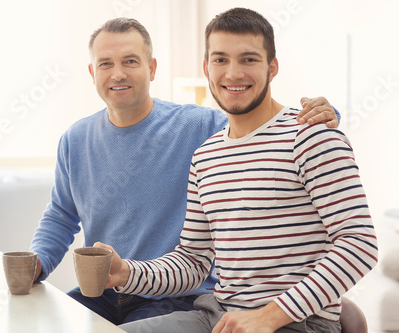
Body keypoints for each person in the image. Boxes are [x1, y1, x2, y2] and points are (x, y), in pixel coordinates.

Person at [29, 17, 340, 326]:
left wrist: (321, 116)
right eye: (106, 64)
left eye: (130, 61)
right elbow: (60, 215)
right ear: (92, 72)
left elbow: (257, 122)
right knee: (41, 322)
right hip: (107, 290)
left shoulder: (198, 127)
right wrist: (36, 264)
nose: (118, 73)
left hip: (176, 295)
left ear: (151, 68)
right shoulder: (75, 139)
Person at [97, 8, 378, 333]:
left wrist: (269, 316)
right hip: (218, 316)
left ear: (272, 67)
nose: (232, 73)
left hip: (295, 324)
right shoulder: (205, 156)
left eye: (248, 59)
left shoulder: (311, 135)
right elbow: (192, 261)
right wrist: (126, 273)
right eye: (220, 60)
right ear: (206, 68)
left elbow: (359, 243)